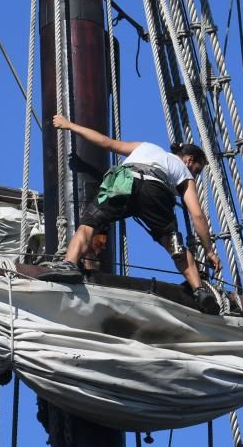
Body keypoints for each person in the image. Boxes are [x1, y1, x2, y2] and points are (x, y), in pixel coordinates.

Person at [38, 114, 222, 314]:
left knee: (89, 225)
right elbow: (197, 215)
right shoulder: (182, 171)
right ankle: (199, 291)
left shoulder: (145, 147)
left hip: (124, 181)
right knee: (173, 244)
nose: (195, 174)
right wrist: (209, 250)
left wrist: (69, 125)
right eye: (197, 169)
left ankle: (70, 264)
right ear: (189, 160)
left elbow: (106, 142)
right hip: (156, 191)